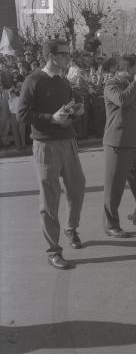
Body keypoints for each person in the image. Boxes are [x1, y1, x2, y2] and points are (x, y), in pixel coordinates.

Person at [17, 39, 86, 270]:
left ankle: (70, 228)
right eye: (64, 54)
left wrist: (75, 111)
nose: (68, 57)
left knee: (76, 188)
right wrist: (51, 119)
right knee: (50, 198)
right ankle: (53, 250)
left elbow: (66, 108)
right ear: (51, 57)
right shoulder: (33, 80)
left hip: (68, 141)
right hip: (45, 146)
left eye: (68, 53)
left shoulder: (63, 81)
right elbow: (23, 113)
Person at [103, 54, 136, 238]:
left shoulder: (134, 84)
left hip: (134, 142)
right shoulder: (112, 84)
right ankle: (111, 225)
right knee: (114, 187)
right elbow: (122, 100)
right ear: (128, 68)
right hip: (118, 143)